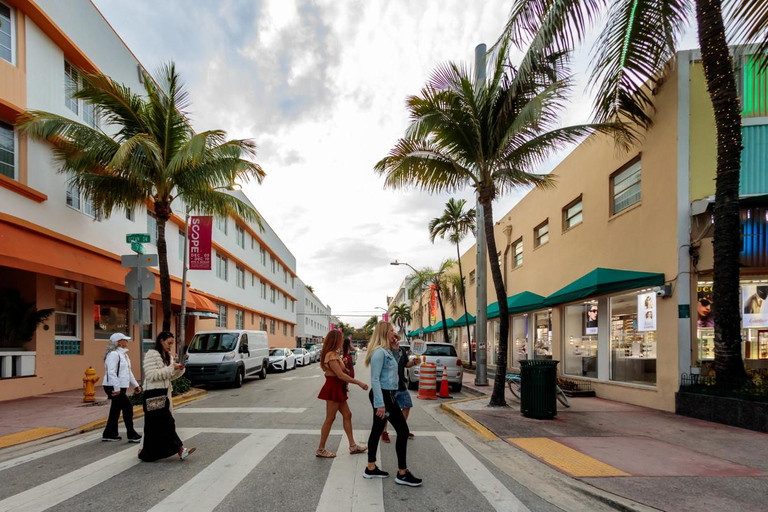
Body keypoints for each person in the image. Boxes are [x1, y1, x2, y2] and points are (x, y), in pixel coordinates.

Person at [364, 321, 422, 487]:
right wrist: (380, 404)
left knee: (377, 430)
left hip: (388, 395)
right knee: (402, 431)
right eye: (391, 331)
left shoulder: (387, 351)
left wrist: (396, 350)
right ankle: (402, 473)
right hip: (383, 396)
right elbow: (374, 379)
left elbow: (395, 369)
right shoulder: (379, 353)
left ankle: (371, 467)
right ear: (384, 333)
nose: (394, 333)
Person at [139, 331, 195, 462]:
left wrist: (179, 369)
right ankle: (180, 449)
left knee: (153, 426)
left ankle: (146, 453)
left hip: (164, 392)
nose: (170, 346)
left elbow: (170, 376)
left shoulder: (167, 355)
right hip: (153, 393)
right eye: (169, 343)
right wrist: (171, 368)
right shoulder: (151, 354)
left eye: (172, 343)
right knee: (167, 422)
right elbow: (151, 375)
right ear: (161, 341)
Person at [316, 330, 369, 458]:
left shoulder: (334, 354)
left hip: (337, 387)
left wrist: (343, 365)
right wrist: (359, 383)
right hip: (333, 386)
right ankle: (321, 449)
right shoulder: (331, 355)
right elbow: (340, 375)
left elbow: (340, 371)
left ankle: (352, 445)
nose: (342, 341)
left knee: (347, 414)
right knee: (330, 418)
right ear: (336, 340)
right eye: (340, 339)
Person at [102, 333, 142, 443]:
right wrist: (116, 388)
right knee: (128, 407)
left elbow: (128, 372)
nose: (127, 341)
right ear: (119, 342)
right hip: (113, 386)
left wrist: (135, 385)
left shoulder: (124, 355)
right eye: (125, 340)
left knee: (115, 410)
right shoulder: (113, 354)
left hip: (120, 386)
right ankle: (131, 434)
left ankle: (109, 434)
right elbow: (111, 372)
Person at [381, 340, 415, 443]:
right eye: (393, 338)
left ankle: (401, 427)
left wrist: (414, 362)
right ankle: (384, 432)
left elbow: (406, 364)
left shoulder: (402, 350)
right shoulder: (385, 352)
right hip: (389, 386)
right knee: (387, 410)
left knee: (407, 405)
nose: (396, 341)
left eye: (397, 339)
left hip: (401, 384)